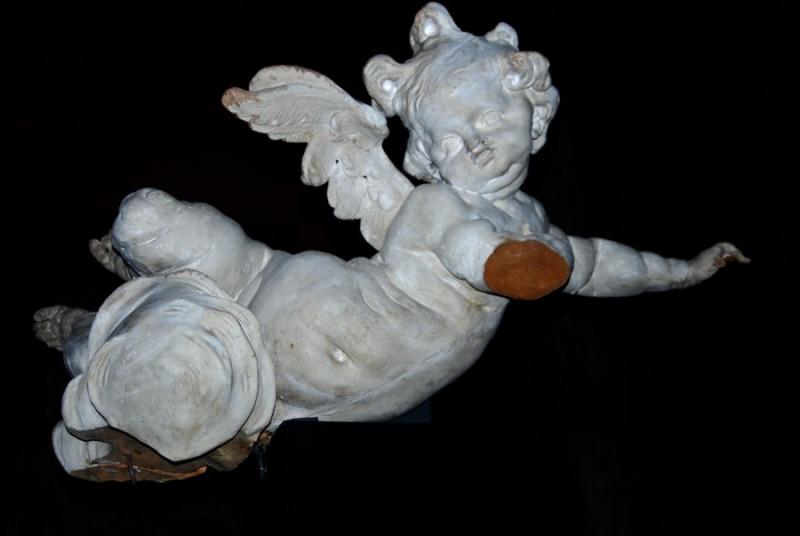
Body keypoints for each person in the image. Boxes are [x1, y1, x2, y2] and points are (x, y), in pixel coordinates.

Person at [35, 2, 748, 482]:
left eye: (486, 119)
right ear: (428, 155)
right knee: (147, 217)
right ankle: (135, 267)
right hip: (263, 277)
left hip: (279, 395)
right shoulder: (440, 207)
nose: (473, 143)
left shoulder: (543, 236)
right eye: (450, 138)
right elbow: (474, 252)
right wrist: (508, 264)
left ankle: (86, 334)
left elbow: (605, 264)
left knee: (153, 394)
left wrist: (681, 272)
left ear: (532, 111)